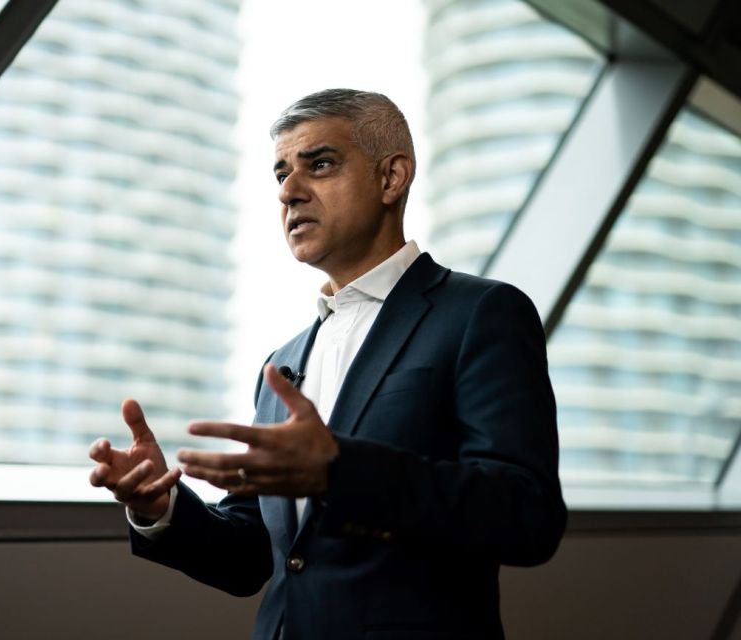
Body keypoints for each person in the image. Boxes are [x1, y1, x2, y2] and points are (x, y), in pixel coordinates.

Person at [88, 88, 566, 640]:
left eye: (319, 164)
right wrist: (161, 506)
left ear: (391, 178)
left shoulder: (482, 313)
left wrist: (340, 470)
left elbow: (527, 517)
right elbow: (254, 558)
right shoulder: (282, 364)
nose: (289, 192)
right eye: (280, 174)